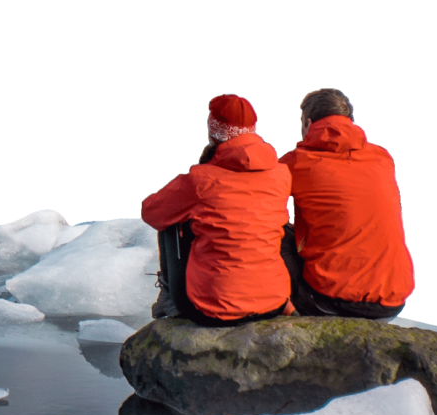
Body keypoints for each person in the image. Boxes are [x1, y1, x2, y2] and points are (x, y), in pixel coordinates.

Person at [142, 94, 294, 326]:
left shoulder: (200, 180)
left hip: (214, 309)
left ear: (213, 130)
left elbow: (150, 212)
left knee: (169, 220)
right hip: (272, 303)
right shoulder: (281, 173)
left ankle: (169, 299)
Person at [278, 88, 414, 319]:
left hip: (331, 301)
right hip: (393, 301)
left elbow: (257, 207)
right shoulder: (383, 158)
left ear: (308, 124)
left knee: (264, 230)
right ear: (350, 122)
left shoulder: (295, 163)